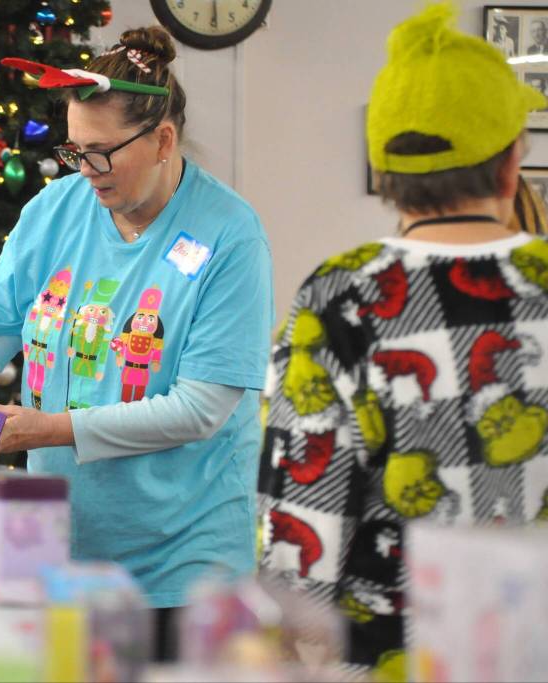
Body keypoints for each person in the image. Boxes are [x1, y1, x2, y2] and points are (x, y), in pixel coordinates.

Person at [0, 27, 274, 657]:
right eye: (75, 150)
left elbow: (200, 409)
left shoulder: (230, 236)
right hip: (59, 555)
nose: (86, 171)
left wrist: (47, 429)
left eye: (102, 152)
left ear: (163, 139)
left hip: (182, 574)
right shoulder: (54, 210)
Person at [257, 4, 548, 680]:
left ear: (384, 172)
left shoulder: (337, 299)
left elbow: (303, 529)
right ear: (511, 164)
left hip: (390, 659)